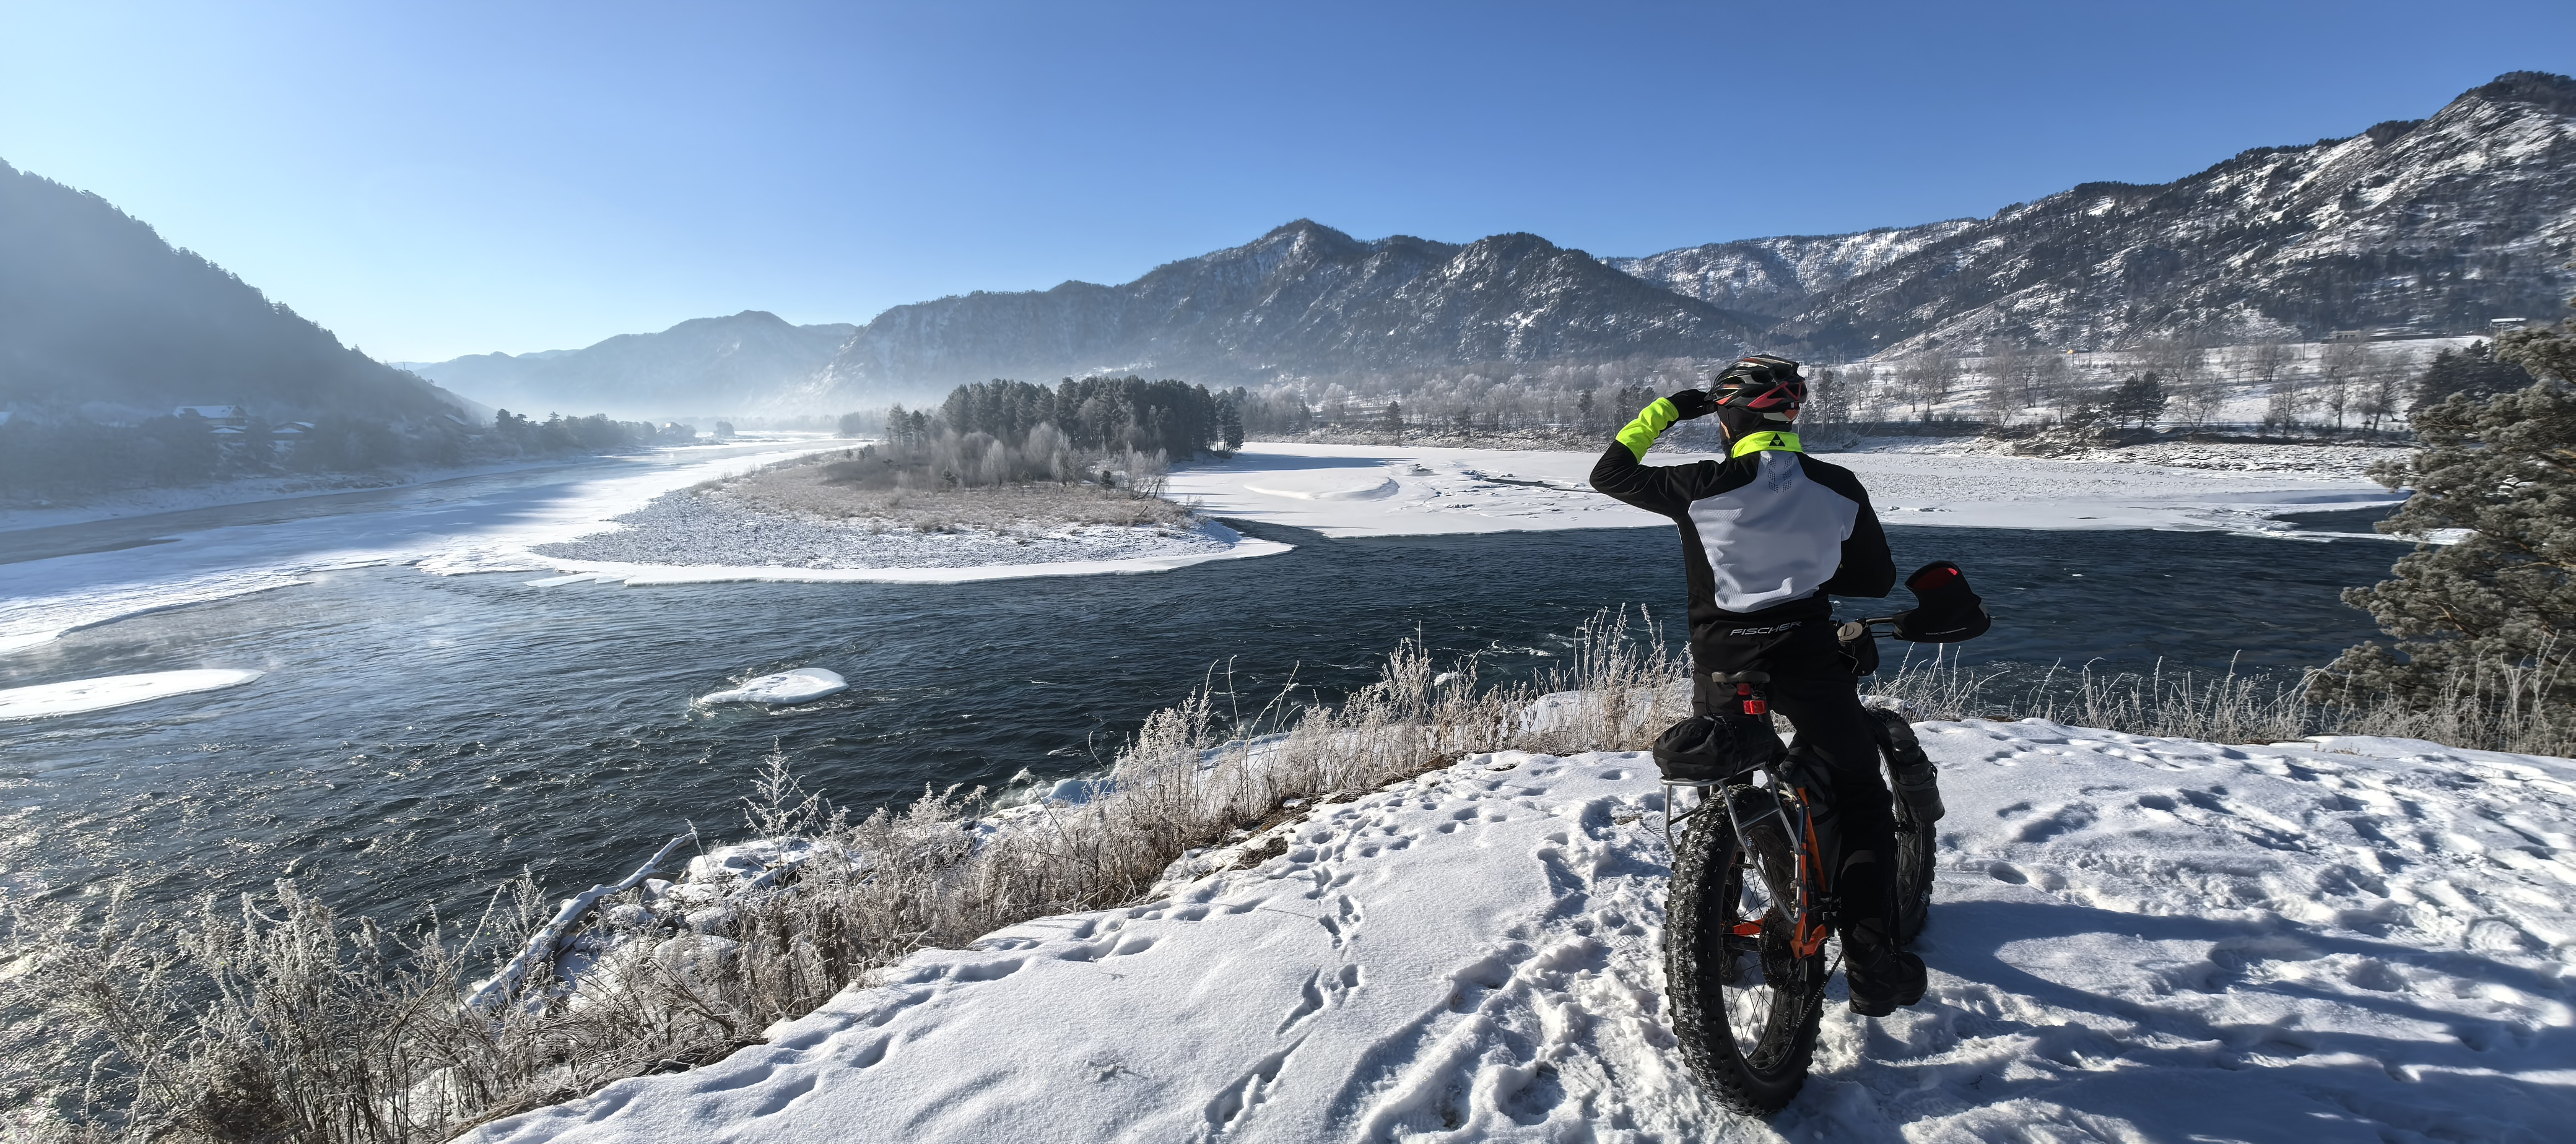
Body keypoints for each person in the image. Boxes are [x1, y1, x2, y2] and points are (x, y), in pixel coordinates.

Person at [1589, 353, 1927, 1016]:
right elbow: (1875, 581)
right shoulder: (1838, 486)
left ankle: (1714, 939)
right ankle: (1871, 967)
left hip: (1723, 660)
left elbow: (1610, 474)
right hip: (1805, 655)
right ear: (1790, 416)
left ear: (1729, 417)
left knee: (1724, 784)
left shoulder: (1703, 484)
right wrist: (1804, 563)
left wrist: (1666, 411)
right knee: (1858, 798)